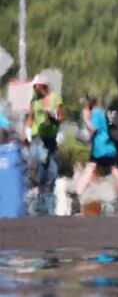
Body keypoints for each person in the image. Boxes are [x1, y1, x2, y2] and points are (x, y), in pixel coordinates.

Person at [74, 95, 118, 212]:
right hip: (108, 147)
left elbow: (93, 129)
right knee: (113, 169)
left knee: (91, 169)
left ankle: (77, 195)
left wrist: (86, 119)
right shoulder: (101, 112)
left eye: (85, 104)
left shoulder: (95, 113)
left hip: (100, 148)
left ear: (89, 103)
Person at [25, 74, 64, 215]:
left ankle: (49, 207)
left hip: (51, 138)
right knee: (38, 166)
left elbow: (61, 117)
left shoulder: (55, 99)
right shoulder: (34, 101)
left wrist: (52, 116)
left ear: (43, 87)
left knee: (51, 172)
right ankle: (40, 203)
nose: (35, 90)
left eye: (37, 87)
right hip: (38, 137)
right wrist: (27, 133)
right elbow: (30, 118)